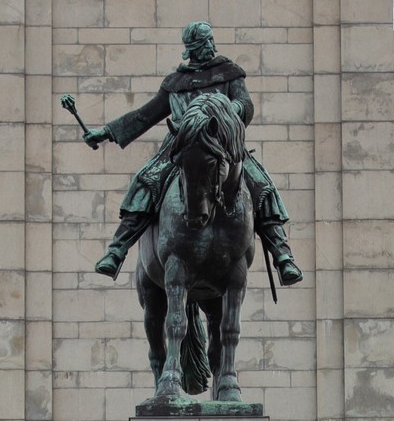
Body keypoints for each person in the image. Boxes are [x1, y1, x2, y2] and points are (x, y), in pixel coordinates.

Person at [85, 22, 302, 287]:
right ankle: (117, 249)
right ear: (193, 50)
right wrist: (106, 132)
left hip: (221, 146)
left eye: (209, 42)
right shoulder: (176, 82)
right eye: (202, 45)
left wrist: (225, 110)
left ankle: (282, 254)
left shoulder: (229, 73)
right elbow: (145, 115)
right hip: (181, 147)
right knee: (145, 180)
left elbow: (245, 105)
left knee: (261, 184)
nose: (209, 48)